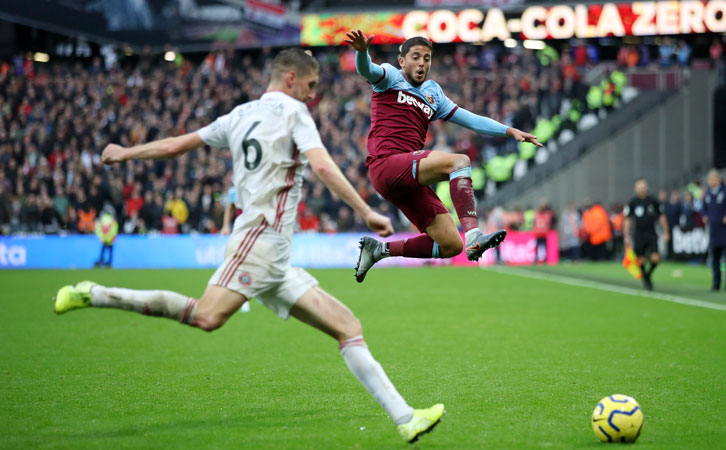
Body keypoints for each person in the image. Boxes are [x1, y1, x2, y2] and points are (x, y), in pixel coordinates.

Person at [53, 48, 443, 444]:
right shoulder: (294, 114)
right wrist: (364, 211)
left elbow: (176, 145)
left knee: (348, 327)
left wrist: (125, 153)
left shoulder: (237, 116)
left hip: (274, 258)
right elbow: (323, 165)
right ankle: (96, 294)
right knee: (206, 316)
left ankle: (406, 417)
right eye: (309, 85)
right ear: (291, 78)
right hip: (257, 241)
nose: (312, 94)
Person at [344, 30, 542, 282]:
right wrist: (362, 52)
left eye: (426, 58)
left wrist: (508, 130)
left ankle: (378, 250)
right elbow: (367, 70)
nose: (422, 63)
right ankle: (474, 235)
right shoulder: (390, 77)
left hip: (408, 178)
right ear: (402, 61)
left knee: (450, 245)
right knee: (459, 162)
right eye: (415, 57)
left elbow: (471, 120)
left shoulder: (433, 93)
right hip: (387, 165)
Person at [623, 179, 670, 290]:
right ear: (636, 189)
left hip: (651, 233)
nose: (642, 189)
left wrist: (666, 231)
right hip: (638, 233)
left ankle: (647, 275)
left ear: (646, 188)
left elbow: (662, 217)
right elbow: (627, 219)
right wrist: (626, 235)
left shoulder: (653, 201)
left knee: (655, 258)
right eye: (640, 187)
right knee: (641, 259)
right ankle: (646, 280)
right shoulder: (632, 202)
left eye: (643, 187)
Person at [702, 169, 726, 290]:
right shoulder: (707, 193)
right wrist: (704, 216)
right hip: (713, 230)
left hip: (724, 230)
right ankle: (716, 283)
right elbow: (704, 208)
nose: (711, 181)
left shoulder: (724, 191)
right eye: (709, 179)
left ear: (717, 179)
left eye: (713, 179)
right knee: (715, 259)